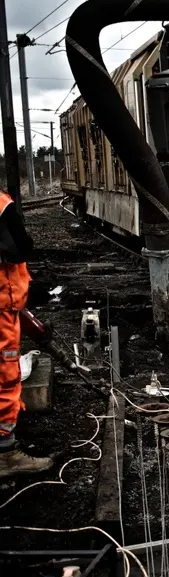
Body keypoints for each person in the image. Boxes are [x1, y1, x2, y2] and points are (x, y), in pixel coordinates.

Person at [0, 190, 53, 478]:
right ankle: (5, 454)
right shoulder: (1, 206)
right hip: (2, 305)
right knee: (5, 378)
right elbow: (21, 247)